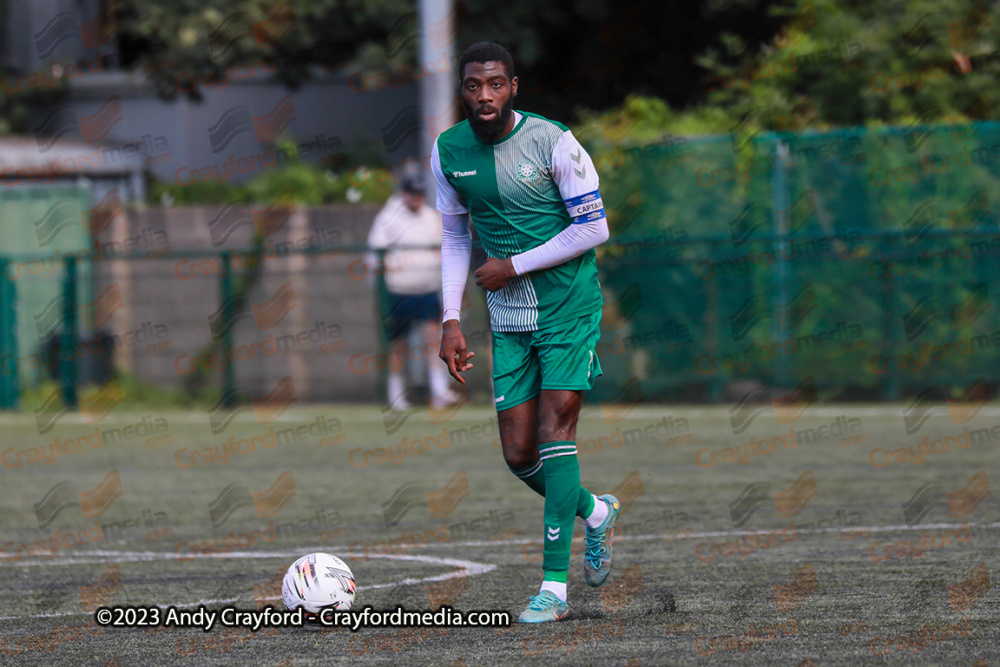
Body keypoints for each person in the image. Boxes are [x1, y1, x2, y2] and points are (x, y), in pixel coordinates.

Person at [432, 41, 620, 623]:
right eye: (472, 86)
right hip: (508, 320)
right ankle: (594, 511)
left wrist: (512, 264)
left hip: (567, 309)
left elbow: (595, 228)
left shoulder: (553, 141)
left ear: (514, 86)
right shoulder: (447, 151)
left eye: (494, 84)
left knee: (554, 430)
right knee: (518, 454)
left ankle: (554, 592)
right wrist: (451, 319)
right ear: (462, 91)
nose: (483, 96)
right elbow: (454, 238)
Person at [366, 175, 462, 411]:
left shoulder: (431, 217)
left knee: (433, 340)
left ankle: (439, 391)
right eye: (412, 195)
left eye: (420, 196)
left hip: (426, 290)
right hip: (398, 292)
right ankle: (396, 394)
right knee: (398, 345)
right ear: (403, 194)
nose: (416, 201)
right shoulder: (388, 218)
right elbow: (374, 255)